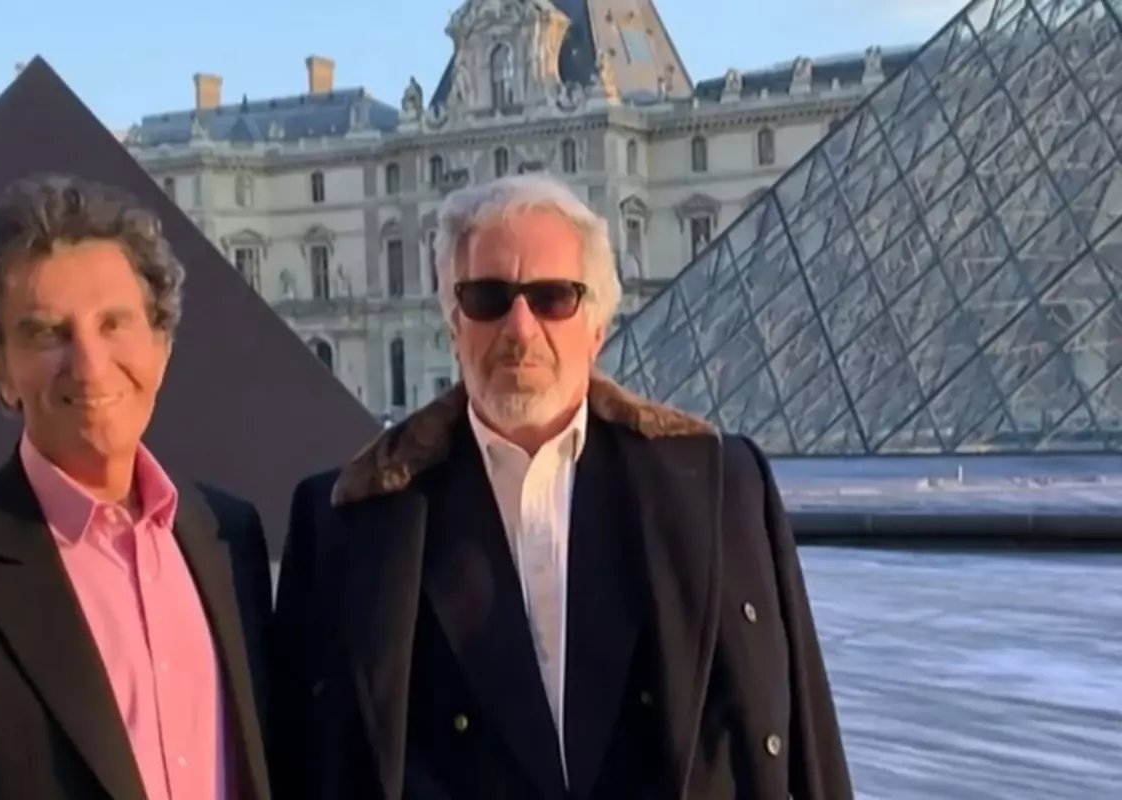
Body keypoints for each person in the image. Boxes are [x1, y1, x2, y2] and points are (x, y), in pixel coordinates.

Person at [272, 174, 852, 799]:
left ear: (597, 326)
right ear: (453, 324)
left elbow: (807, 743)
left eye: (553, 297)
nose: (520, 329)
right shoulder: (341, 521)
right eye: (488, 297)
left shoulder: (726, 487)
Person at [0, 175, 273, 800]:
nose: (89, 365)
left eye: (114, 324)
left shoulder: (228, 534)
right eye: (47, 333)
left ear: (161, 346)